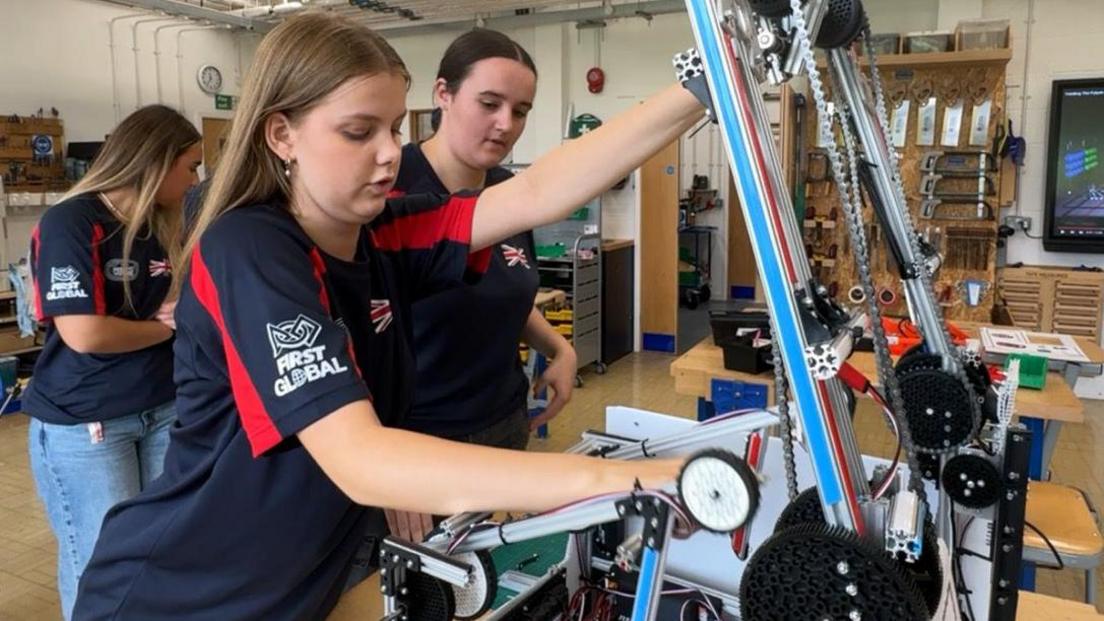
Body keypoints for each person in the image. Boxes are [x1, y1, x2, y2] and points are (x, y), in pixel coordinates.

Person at [73, 13, 702, 620]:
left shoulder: (383, 234)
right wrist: (622, 479)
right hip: (181, 593)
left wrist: (702, 83)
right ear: (281, 134)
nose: (388, 154)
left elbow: (538, 191)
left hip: (296, 586)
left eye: (395, 129)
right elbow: (360, 458)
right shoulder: (250, 247)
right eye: (358, 132)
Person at [384, 30, 576, 542]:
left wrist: (557, 346)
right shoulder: (390, 186)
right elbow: (350, 333)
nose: (505, 124)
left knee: (493, 577)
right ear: (443, 94)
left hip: (504, 422)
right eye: (489, 103)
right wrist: (385, 465)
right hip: (421, 440)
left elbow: (503, 289)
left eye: (521, 110)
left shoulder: (510, 191)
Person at [25, 104, 199, 620]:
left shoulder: (165, 223)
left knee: (160, 549)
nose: (195, 180)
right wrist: (166, 328)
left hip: (161, 408)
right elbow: (85, 333)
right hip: (90, 421)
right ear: (156, 160)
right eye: (189, 167)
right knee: (101, 565)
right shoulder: (73, 221)